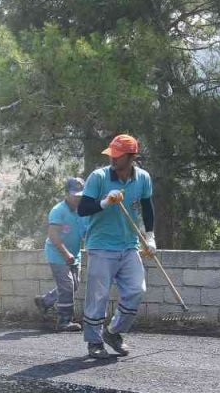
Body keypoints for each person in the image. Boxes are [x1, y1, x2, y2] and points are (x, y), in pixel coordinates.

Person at [77, 134, 156, 359]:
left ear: (132, 157)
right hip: (101, 245)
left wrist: (150, 237)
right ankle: (94, 342)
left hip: (129, 245)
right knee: (98, 296)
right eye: (111, 153)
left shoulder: (143, 178)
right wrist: (104, 202)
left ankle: (113, 332)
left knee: (136, 290)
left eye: (118, 155)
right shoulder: (99, 177)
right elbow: (83, 208)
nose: (113, 158)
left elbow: (148, 207)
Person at [33, 177, 88, 331]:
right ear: (67, 194)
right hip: (57, 253)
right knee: (67, 285)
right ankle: (64, 320)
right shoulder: (58, 210)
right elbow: (53, 235)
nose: (77, 198)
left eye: (80, 195)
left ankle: (45, 301)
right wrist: (66, 254)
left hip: (74, 254)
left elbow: (85, 233)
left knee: (74, 285)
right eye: (74, 194)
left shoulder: (83, 211)